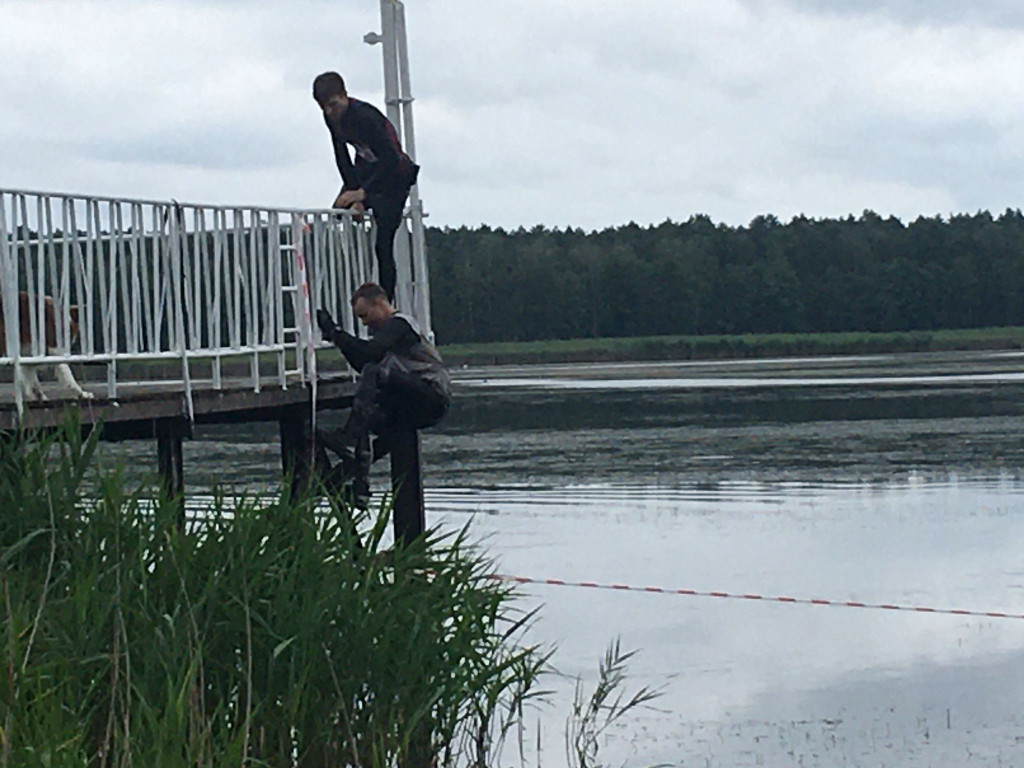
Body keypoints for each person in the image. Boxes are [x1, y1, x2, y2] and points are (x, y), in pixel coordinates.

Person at [315, 282, 451, 505]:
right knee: (371, 420)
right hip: (411, 400)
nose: (365, 323)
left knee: (375, 376)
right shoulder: (386, 334)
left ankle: (349, 437)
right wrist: (334, 335)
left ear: (380, 303)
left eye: (365, 315)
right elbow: (363, 361)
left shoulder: (400, 324)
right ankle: (359, 486)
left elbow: (371, 354)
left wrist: (337, 333)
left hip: (431, 394)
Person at [313, 71, 420, 302]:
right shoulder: (331, 118)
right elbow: (341, 156)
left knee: (383, 244)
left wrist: (364, 192)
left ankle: (386, 305)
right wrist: (354, 193)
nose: (331, 112)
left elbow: (391, 158)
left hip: (394, 175)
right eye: (324, 108)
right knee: (339, 211)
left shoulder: (364, 116)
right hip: (367, 169)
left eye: (333, 105)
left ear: (344, 95)